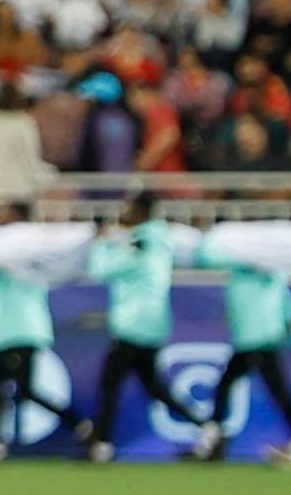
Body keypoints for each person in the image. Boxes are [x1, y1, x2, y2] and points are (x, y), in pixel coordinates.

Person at [85, 193, 214, 461]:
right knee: (153, 387)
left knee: (110, 385)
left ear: (141, 212)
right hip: (153, 325)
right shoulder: (160, 240)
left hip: (133, 325)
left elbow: (101, 271)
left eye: (128, 208)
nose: (123, 213)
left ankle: (102, 445)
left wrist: (102, 245)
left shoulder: (138, 242)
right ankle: (207, 428)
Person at [0, 206, 77, 459]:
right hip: (17, 329)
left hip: (20, 329)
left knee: (5, 385)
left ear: (18, 217)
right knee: (19, 388)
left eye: (5, 214)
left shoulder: (20, 248)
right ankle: (80, 426)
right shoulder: (20, 250)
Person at [208, 235, 291, 463]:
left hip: (252, 341)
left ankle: (213, 439)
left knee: (229, 387)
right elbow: (288, 306)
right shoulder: (270, 274)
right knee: (274, 390)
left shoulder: (241, 274)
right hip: (262, 339)